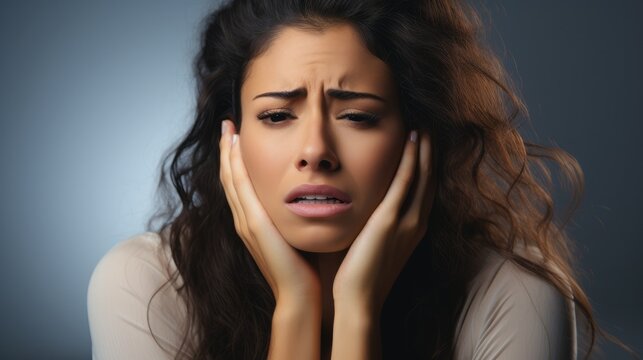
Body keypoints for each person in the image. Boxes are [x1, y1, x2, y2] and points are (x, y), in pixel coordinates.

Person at [87, 0, 598, 358]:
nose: (315, 152)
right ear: (232, 137)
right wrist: (298, 309)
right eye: (277, 116)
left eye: (357, 116)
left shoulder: (514, 296)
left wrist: (356, 313)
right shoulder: (148, 283)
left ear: (416, 135)